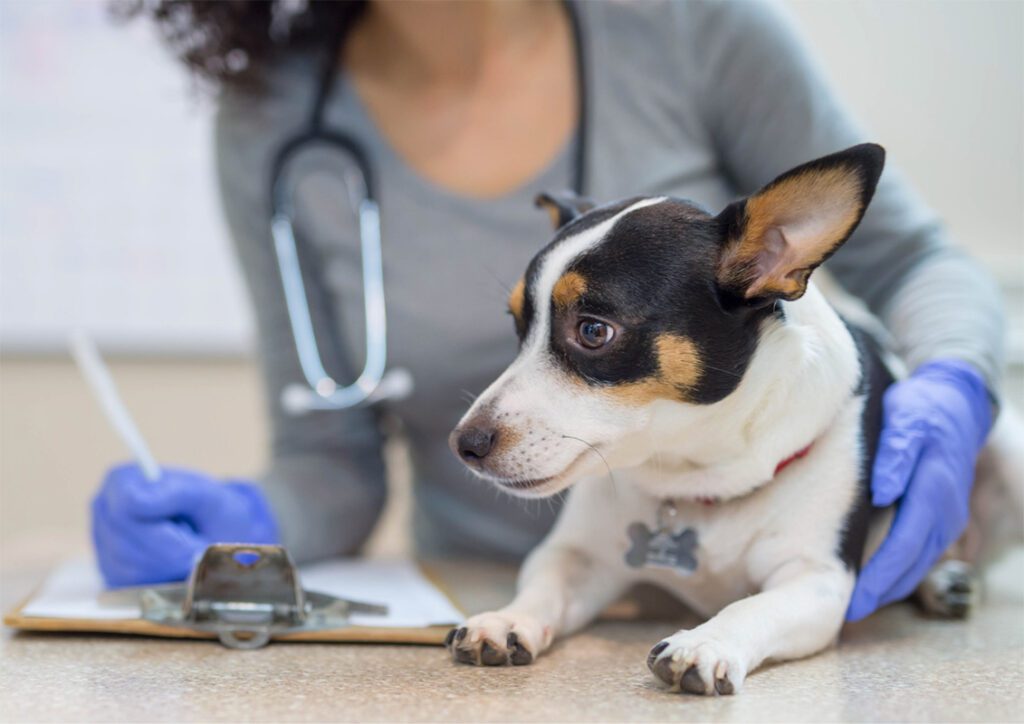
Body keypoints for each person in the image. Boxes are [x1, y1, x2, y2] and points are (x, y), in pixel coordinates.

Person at [92, 0, 1003, 622]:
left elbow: (916, 260)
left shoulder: (688, 27)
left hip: (774, 566)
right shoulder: (271, 114)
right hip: (505, 603)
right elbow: (329, 459)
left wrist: (956, 383)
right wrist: (242, 526)